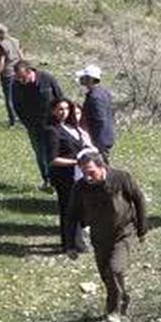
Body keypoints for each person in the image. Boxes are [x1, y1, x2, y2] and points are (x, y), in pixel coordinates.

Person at [70, 151, 148, 320]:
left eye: (91, 172)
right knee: (106, 276)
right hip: (99, 237)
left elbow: (139, 199)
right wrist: (70, 244)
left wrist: (142, 229)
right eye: (84, 173)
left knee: (115, 269)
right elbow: (72, 214)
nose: (88, 177)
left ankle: (113, 313)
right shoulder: (80, 187)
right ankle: (123, 298)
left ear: (102, 166)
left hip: (123, 234)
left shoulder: (120, 178)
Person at [48, 99, 95, 256]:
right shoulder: (52, 131)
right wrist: (77, 161)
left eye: (66, 109)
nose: (64, 112)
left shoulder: (72, 127)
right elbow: (53, 159)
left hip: (78, 174)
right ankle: (70, 244)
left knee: (79, 208)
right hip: (64, 176)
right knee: (68, 209)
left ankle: (78, 241)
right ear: (53, 111)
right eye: (60, 109)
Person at [13, 60, 65, 191]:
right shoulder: (16, 85)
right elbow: (17, 106)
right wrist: (27, 123)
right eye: (18, 78)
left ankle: (59, 180)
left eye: (23, 78)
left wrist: (62, 118)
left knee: (55, 153)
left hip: (52, 124)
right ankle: (47, 180)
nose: (21, 81)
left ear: (30, 72)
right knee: (40, 153)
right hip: (34, 126)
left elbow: (60, 97)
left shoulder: (47, 79)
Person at [0, 24, 24, 127]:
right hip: (18, 71)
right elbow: (21, 56)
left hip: (8, 74)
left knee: (9, 98)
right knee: (18, 96)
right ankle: (21, 118)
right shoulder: (16, 41)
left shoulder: (2, 45)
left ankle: (13, 121)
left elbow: (1, 63)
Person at [78, 65, 116, 163]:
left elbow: (100, 120)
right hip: (106, 136)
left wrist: (93, 142)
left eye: (84, 77)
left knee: (101, 166)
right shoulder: (103, 92)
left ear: (90, 79)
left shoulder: (95, 97)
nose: (81, 79)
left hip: (100, 140)